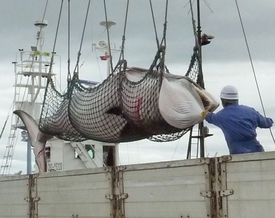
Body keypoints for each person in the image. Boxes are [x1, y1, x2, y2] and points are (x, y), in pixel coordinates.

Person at [201, 85, 273, 154]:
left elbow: (209, 117)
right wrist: (270, 121)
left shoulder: (220, 116)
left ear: (223, 100)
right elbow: (267, 123)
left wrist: (204, 112)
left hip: (237, 154)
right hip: (257, 152)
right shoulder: (251, 111)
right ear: (237, 99)